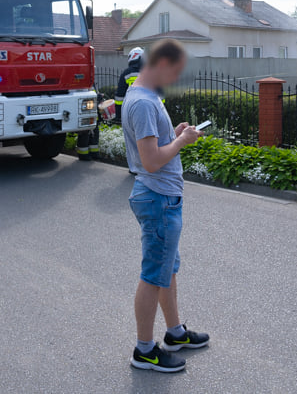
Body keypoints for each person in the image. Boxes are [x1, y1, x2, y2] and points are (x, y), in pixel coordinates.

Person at [122, 38, 209, 373]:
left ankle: (174, 333)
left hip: (163, 196)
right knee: (152, 275)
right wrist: (182, 142)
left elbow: (156, 145)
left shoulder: (146, 97)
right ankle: (144, 350)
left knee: (165, 270)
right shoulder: (143, 103)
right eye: (174, 72)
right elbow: (152, 160)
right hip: (157, 196)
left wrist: (175, 134)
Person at [115, 47, 144, 123]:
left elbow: (120, 96)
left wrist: (118, 115)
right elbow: (160, 95)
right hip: (150, 110)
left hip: (131, 110)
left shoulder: (126, 74)